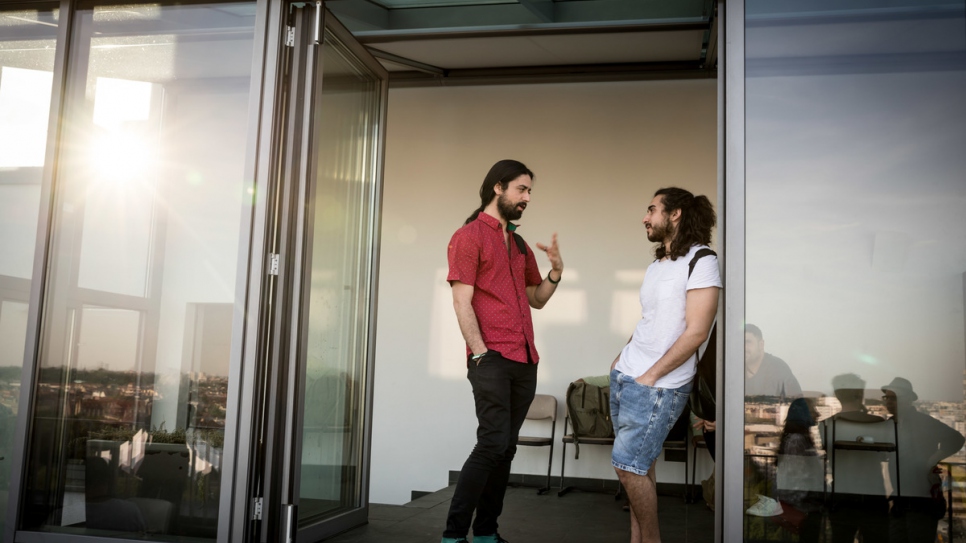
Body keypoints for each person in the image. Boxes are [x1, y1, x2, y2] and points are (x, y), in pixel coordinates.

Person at [441, 159, 564, 543]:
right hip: (490, 357)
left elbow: (536, 299)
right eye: (521, 189)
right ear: (498, 187)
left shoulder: (519, 243)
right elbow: (462, 302)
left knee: (505, 448)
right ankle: (453, 535)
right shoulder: (469, 236)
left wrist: (556, 272)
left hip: (525, 359)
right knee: (492, 443)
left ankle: (486, 532)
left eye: (529, 191)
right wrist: (480, 353)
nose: (527, 197)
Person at [609, 187, 721, 543]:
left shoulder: (702, 260)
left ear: (675, 214)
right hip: (627, 375)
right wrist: (621, 358)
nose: (645, 217)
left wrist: (651, 375)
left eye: (652, 209)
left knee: (627, 468)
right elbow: (651, 320)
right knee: (640, 467)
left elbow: (697, 332)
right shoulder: (657, 266)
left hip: (658, 384)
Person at [882, 377, 965, 543]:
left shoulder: (924, 422)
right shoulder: (891, 424)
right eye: (887, 398)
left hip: (921, 500)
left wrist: (933, 459)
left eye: (893, 398)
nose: (888, 402)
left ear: (906, 399)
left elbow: (956, 438)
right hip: (901, 499)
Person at [744, 324, 802, 400]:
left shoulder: (777, 369)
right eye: (739, 343)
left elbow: (770, 408)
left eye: (748, 342)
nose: (743, 347)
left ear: (761, 345)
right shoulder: (736, 370)